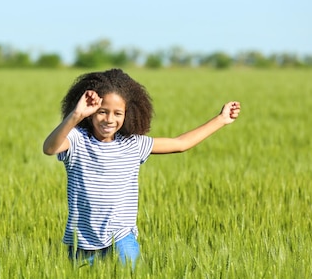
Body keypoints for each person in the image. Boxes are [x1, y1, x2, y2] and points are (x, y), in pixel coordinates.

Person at [43, 69, 241, 267]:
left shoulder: (133, 145)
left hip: (122, 238)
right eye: (102, 111)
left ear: (129, 114)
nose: (109, 119)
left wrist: (221, 119)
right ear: (91, 112)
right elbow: (49, 148)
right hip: (82, 242)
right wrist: (76, 114)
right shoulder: (77, 141)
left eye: (117, 113)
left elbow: (180, 144)